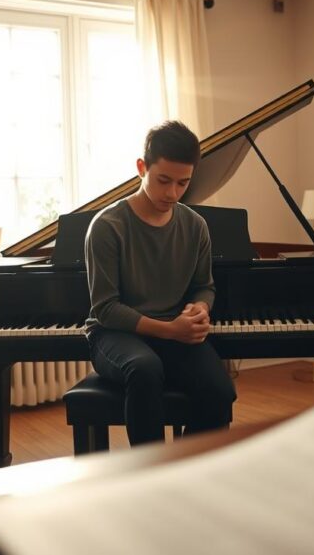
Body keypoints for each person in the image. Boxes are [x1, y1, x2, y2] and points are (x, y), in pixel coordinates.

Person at [84, 120, 236, 446]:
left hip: (174, 332)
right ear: (142, 168)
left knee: (221, 391)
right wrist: (172, 330)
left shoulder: (195, 226)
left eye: (183, 183)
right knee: (144, 369)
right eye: (163, 180)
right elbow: (106, 309)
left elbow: (204, 285)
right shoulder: (107, 226)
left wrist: (199, 307)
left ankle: (188, 470)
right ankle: (151, 476)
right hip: (113, 334)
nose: (172, 193)